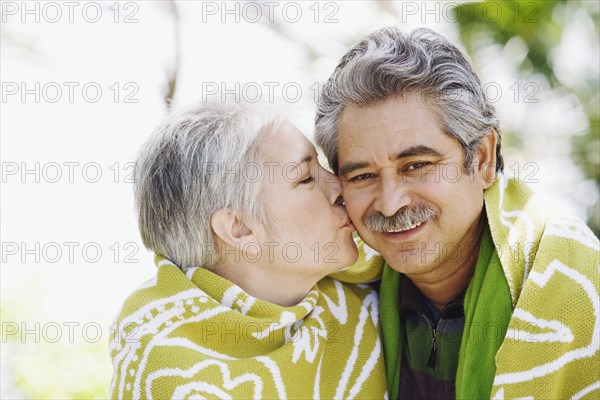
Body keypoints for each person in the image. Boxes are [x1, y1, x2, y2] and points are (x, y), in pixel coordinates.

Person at [315, 26, 600, 400]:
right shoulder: (329, 298)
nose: (389, 202)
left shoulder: (578, 282)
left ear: (481, 159)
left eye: (416, 165)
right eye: (363, 176)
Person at [109, 101, 387, 399]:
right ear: (239, 229)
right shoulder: (166, 366)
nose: (340, 188)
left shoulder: (380, 278)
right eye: (306, 178)